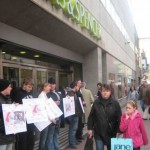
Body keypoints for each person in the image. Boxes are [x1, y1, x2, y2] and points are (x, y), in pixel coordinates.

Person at [88, 84, 122, 150]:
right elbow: (91, 117)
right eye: (103, 91)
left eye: (107, 91)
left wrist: (119, 130)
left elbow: (119, 118)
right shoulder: (96, 103)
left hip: (112, 132)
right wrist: (90, 128)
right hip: (99, 132)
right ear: (100, 92)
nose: (105, 93)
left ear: (110, 92)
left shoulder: (115, 103)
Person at [11, 78, 35, 150]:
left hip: (30, 120)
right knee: (22, 141)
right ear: (24, 85)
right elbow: (11, 104)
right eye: (29, 87)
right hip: (21, 121)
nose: (30, 89)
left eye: (31, 87)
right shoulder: (17, 92)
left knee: (31, 140)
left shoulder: (31, 92)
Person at [46, 77, 62, 150]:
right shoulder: (46, 94)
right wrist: (53, 103)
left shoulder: (58, 93)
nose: (52, 85)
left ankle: (56, 148)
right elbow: (46, 105)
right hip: (51, 118)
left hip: (58, 117)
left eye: (54, 84)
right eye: (51, 84)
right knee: (50, 136)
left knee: (56, 134)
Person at [0, 79, 16, 150]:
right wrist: (5, 128)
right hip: (2, 136)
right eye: (9, 86)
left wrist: (15, 107)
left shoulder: (8, 98)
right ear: (4, 87)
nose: (11, 88)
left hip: (10, 134)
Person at [66, 81, 82, 149]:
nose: (78, 87)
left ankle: (73, 141)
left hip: (75, 113)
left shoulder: (73, 93)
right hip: (73, 114)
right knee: (72, 129)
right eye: (77, 86)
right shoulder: (70, 93)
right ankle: (72, 143)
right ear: (75, 86)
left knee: (73, 129)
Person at [38, 82, 52, 150]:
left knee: (45, 138)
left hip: (47, 120)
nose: (50, 88)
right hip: (44, 120)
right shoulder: (41, 96)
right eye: (48, 86)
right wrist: (51, 118)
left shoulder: (45, 95)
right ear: (44, 87)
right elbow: (44, 109)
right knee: (43, 138)